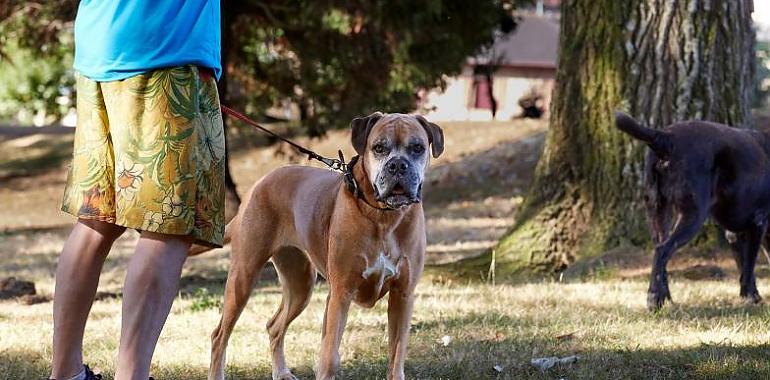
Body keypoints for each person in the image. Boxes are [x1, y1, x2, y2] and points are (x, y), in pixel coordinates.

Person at [50, 1, 224, 379]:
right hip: (164, 48)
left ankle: (65, 373)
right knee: (168, 227)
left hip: (101, 45)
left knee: (99, 219)